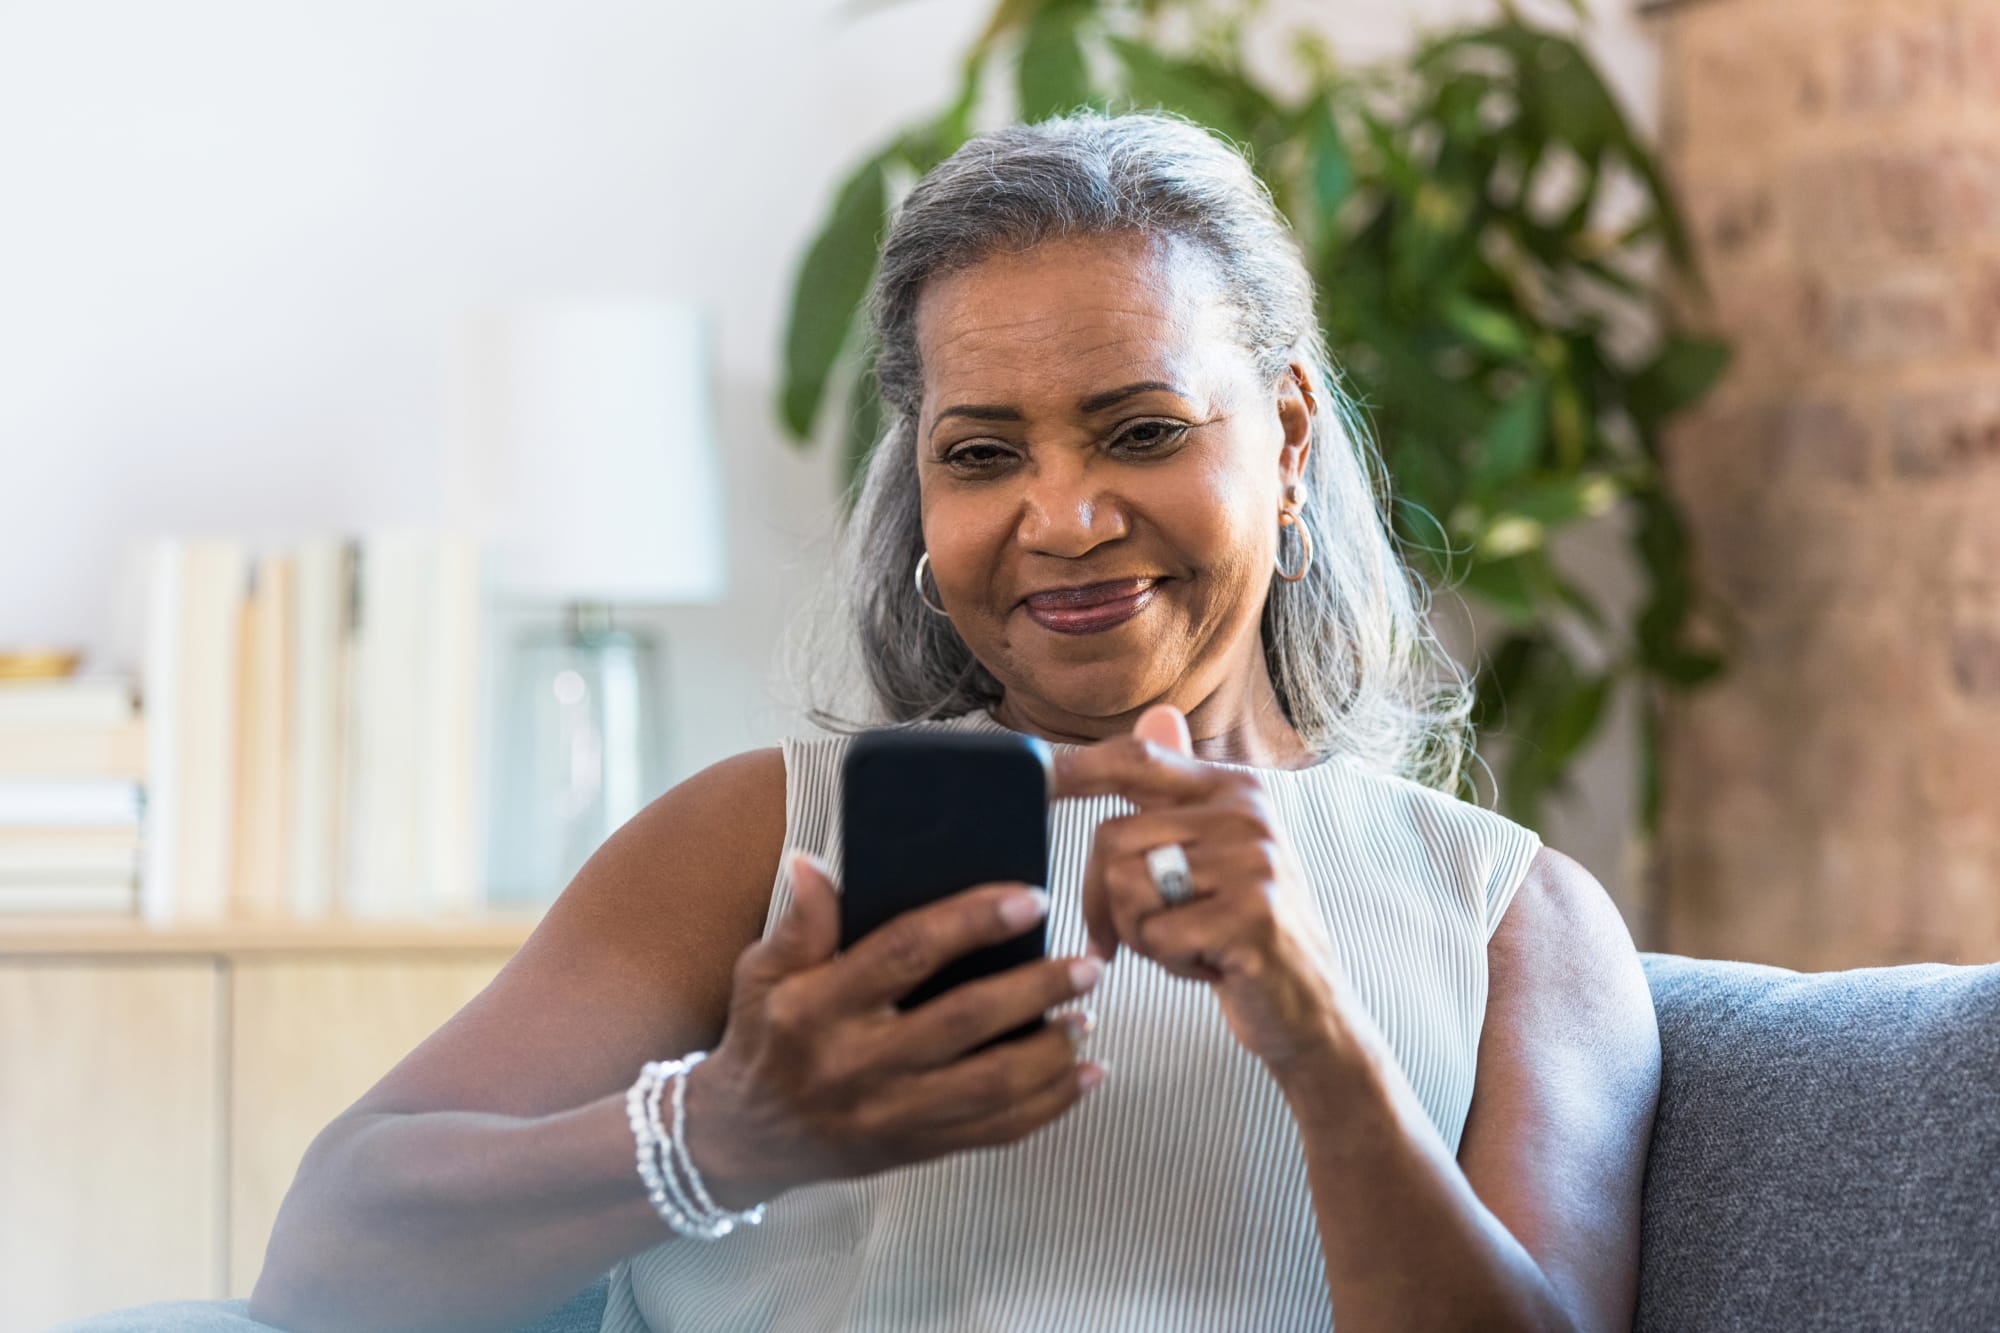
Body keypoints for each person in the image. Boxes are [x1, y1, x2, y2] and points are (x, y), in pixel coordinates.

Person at [250, 111, 1659, 1332]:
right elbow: (322, 1269)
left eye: (1144, 429)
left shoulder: (1514, 919)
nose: (1064, 518)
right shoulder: (769, 839)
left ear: (1288, 436)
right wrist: (728, 1132)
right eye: (984, 455)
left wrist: (1317, 1034)